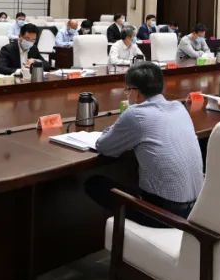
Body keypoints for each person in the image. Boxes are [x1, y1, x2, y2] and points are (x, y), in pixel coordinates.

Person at [84, 62, 204, 228]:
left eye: (128, 90)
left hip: (167, 214)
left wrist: (118, 124)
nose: (127, 94)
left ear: (137, 92)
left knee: (95, 184)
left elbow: (104, 146)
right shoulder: (179, 107)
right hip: (197, 208)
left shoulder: (135, 114)